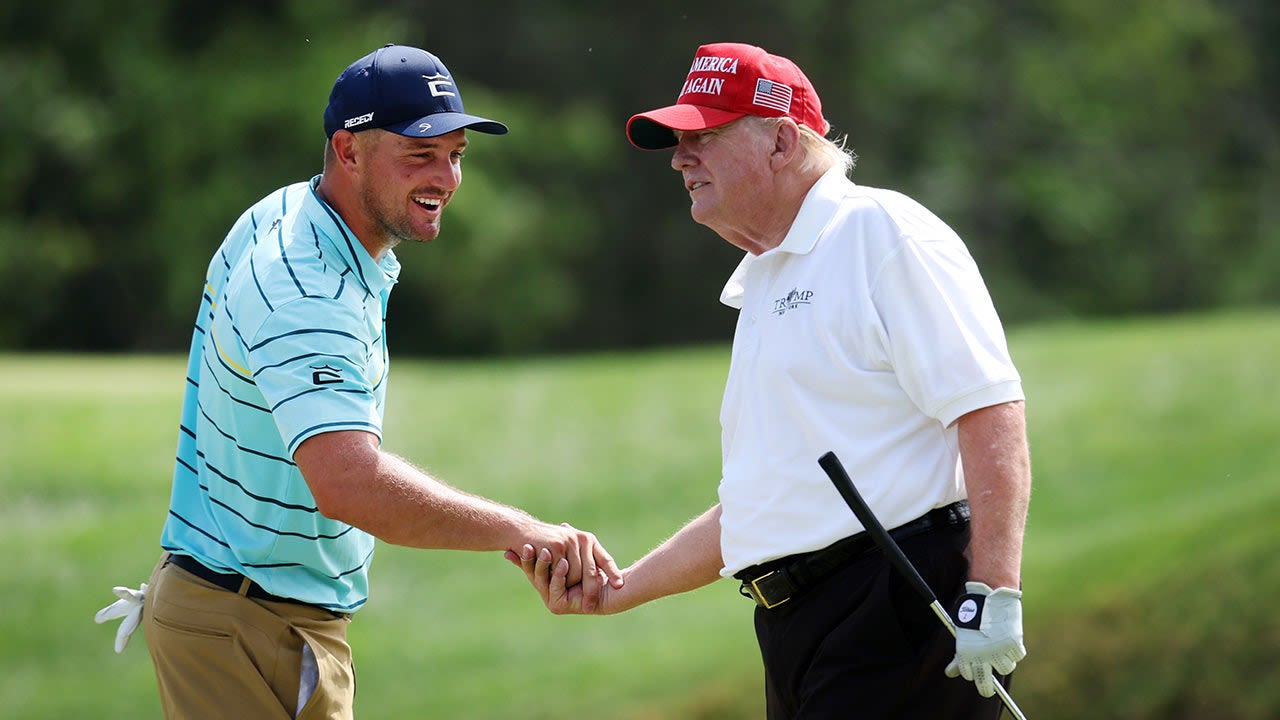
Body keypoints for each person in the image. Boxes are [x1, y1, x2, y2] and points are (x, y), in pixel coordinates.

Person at [94, 44, 622, 720]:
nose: (448, 178)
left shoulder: (298, 217)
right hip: (248, 626)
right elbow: (348, 482)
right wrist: (520, 530)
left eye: (455, 154)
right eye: (419, 155)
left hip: (245, 615)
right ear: (348, 151)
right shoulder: (304, 284)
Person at [509, 42, 1031, 719]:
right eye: (678, 142)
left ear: (782, 142)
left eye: (704, 137)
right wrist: (622, 589)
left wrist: (995, 591)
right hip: (799, 626)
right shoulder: (766, 276)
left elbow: (990, 412)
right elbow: (763, 505)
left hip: (900, 599)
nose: (679, 159)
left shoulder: (881, 234)